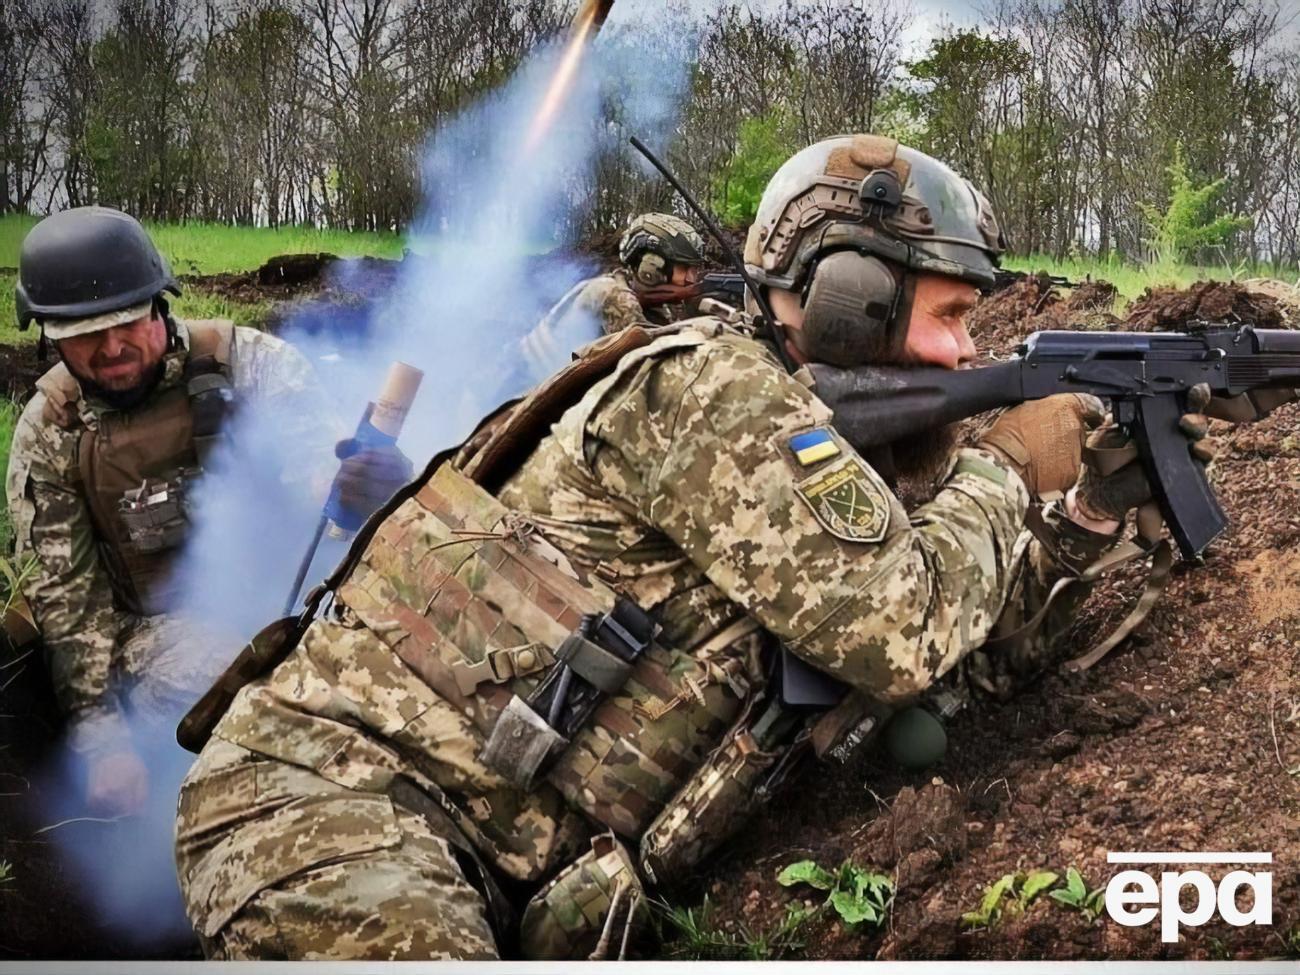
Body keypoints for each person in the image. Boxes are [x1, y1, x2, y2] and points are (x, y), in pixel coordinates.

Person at [173, 135, 1209, 960]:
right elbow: (905, 632)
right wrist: (999, 469)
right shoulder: (709, 391)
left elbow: (963, 662)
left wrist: (1085, 516)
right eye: (949, 316)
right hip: (335, 806)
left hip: (505, 857)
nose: (969, 349)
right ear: (855, 300)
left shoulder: (839, 446)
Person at [5, 206, 410, 817]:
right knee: (233, 678)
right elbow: (72, 606)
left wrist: (367, 493)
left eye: (128, 323)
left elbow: (322, 492)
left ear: (159, 305)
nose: (112, 347)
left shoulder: (250, 366)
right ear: (49, 335)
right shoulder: (52, 433)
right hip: (150, 630)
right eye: (86, 334)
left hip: (287, 593)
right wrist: (101, 742)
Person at [519, 212, 706, 377]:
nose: (691, 279)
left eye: (694, 271)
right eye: (684, 268)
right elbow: (659, 370)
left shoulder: (621, 286)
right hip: (525, 398)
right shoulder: (612, 294)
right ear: (652, 267)